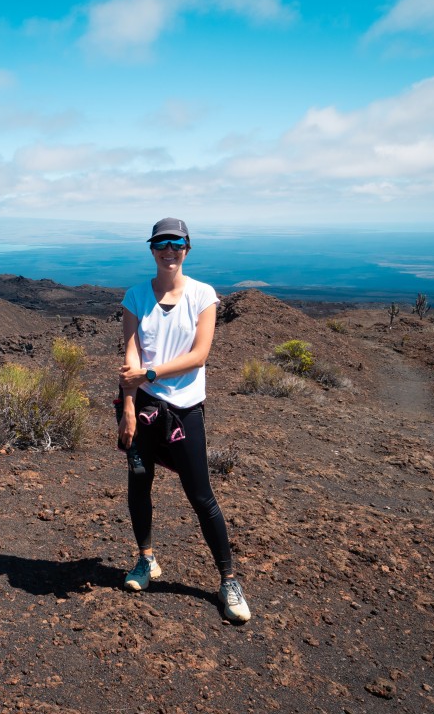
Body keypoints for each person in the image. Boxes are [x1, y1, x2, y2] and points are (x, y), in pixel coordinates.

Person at [117, 217, 250, 623]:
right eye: (161, 244)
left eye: (176, 243)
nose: (169, 250)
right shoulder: (135, 297)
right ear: (152, 250)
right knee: (140, 483)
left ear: (187, 248)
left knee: (200, 495)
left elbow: (199, 355)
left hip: (184, 410)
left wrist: (150, 375)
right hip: (143, 406)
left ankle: (228, 579)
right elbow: (130, 358)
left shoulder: (203, 296)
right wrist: (126, 407)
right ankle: (146, 559)